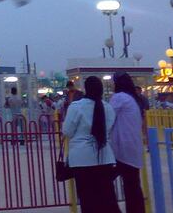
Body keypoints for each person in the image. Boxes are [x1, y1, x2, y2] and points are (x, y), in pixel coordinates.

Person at [62, 76, 119, 212]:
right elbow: (109, 129)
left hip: (81, 159)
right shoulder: (108, 108)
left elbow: (67, 131)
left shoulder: (76, 107)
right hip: (104, 158)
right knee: (107, 199)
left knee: (88, 200)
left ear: (86, 89)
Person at [110, 72, 146, 213]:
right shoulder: (133, 98)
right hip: (132, 147)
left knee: (104, 182)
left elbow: (108, 116)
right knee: (133, 185)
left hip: (122, 148)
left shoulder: (119, 98)